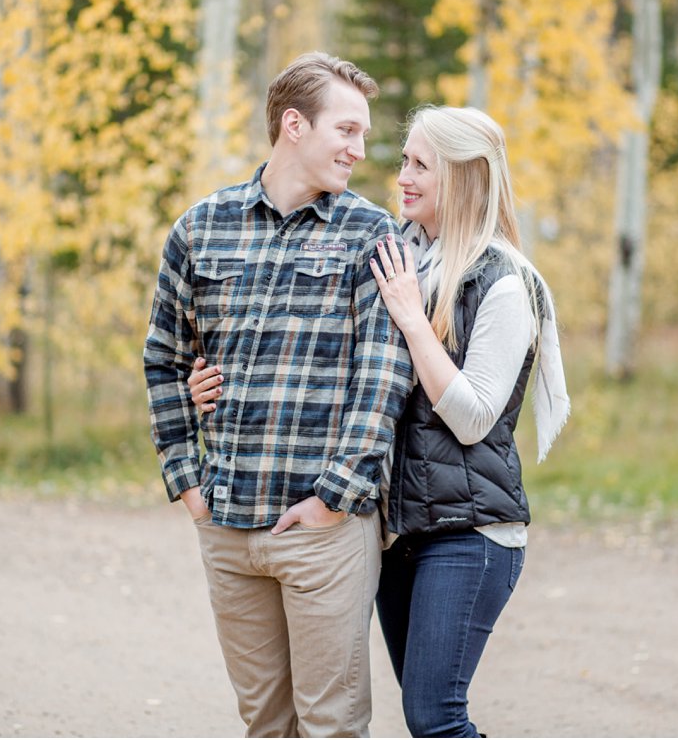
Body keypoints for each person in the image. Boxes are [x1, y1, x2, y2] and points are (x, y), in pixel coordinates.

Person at [190, 105, 570, 737]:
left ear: (467, 178)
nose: (402, 177)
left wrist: (413, 319)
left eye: (421, 165)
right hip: (397, 530)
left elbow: (474, 417)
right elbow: (316, 359)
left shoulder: (506, 283)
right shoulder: (399, 257)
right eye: (404, 161)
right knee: (423, 714)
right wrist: (211, 382)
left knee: (435, 715)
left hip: (468, 530)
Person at [143, 52, 413, 738]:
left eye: (363, 134)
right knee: (264, 723)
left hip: (322, 531)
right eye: (346, 130)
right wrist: (188, 483)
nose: (360, 149)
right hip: (228, 526)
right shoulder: (200, 230)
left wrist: (333, 500)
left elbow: (381, 378)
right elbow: (164, 361)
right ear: (293, 125)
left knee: (332, 726)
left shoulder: (369, 234)